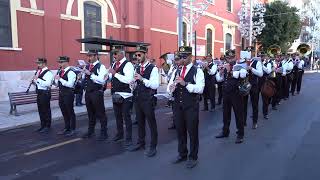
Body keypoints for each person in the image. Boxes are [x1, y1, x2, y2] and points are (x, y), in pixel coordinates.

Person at [168, 46, 205, 169]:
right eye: (180, 57)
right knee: (180, 131)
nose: (182, 60)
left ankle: (193, 156)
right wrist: (171, 88)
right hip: (178, 106)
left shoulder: (197, 71)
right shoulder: (176, 70)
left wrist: (186, 84)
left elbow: (200, 88)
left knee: (192, 132)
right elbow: (169, 86)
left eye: (184, 57)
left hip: (191, 106)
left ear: (190, 57)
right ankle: (182, 153)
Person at [128, 45, 160, 157]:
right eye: (136, 55)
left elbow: (155, 84)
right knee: (140, 122)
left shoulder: (153, 68)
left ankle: (153, 146)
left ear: (145, 54)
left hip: (148, 99)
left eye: (139, 55)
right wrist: (132, 84)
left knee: (151, 123)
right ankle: (141, 143)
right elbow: (135, 82)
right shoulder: (137, 68)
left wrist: (142, 79)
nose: (137, 57)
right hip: (138, 98)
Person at [216, 49, 247, 144]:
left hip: (236, 93)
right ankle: (225, 131)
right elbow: (219, 79)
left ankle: (240, 134)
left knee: (238, 114)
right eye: (228, 58)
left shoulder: (240, 65)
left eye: (231, 57)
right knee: (226, 113)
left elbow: (243, 75)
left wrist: (230, 71)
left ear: (235, 57)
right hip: (226, 93)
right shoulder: (225, 66)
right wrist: (220, 72)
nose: (230, 60)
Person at [108, 45, 134, 146]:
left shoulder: (128, 65)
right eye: (113, 53)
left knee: (126, 117)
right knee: (117, 116)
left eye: (116, 53)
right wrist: (108, 76)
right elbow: (112, 76)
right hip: (116, 94)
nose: (114, 55)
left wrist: (115, 74)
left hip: (125, 95)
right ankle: (119, 134)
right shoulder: (114, 64)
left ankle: (129, 138)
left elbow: (128, 80)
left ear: (122, 54)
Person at [82, 50, 109, 141]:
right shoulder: (87, 66)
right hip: (88, 93)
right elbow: (85, 79)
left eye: (91, 56)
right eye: (88, 56)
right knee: (90, 113)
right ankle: (91, 131)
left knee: (100, 113)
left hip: (96, 92)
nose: (89, 58)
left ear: (96, 56)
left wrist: (91, 74)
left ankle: (104, 132)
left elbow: (102, 80)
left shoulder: (101, 67)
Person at [55, 56, 77, 136]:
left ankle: (72, 129)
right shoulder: (61, 71)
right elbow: (60, 83)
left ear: (66, 62)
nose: (59, 64)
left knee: (70, 111)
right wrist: (55, 83)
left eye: (61, 62)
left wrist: (60, 79)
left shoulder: (71, 72)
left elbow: (70, 84)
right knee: (64, 111)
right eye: (59, 62)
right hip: (61, 94)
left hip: (68, 94)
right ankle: (66, 127)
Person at [33, 58, 54, 133]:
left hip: (45, 93)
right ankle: (42, 125)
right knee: (40, 110)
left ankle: (47, 126)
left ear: (44, 63)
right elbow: (39, 84)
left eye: (39, 63)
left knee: (46, 110)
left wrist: (37, 79)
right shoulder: (39, 71)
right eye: (37, 63)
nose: (38, 65)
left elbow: (48, 84)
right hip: (39, 92)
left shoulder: (48, 73)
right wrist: (34, 82)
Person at [244, 56, 263, 129]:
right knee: (244, 105)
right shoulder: (243, 62)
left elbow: (260, 74)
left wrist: (251, 68)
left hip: (254, 85)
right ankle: (243, 121)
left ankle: (255, 122)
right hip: (245, 85)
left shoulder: (257, 62)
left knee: (254, 104)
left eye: (250, 52)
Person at [260, 54, 273, 119]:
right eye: (264, 57)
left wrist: (262, 66)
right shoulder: (262, 62)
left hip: (266, 81)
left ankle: (265, 113)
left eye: (266, 56)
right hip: (259, 81)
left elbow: (268, 71)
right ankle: (255, 113)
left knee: (265, 98)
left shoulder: (269, 64)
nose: (265, 58)